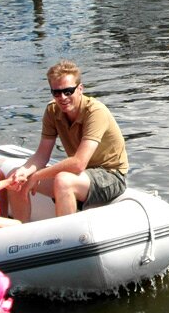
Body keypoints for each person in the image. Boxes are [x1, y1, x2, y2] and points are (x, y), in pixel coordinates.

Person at [8, 60, 128, 222]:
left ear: (80, 89)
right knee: (16, 178)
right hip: (80, 174)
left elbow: (78, 163)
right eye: (56, 93)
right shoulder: (52, 111)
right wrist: (25, 171)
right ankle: (19, 236)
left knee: (63, 181)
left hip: (110, 175)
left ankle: (66, 239)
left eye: (68, 91)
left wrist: (37, 176)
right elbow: (42, 155)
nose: (62, 98)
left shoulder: (95, 112)